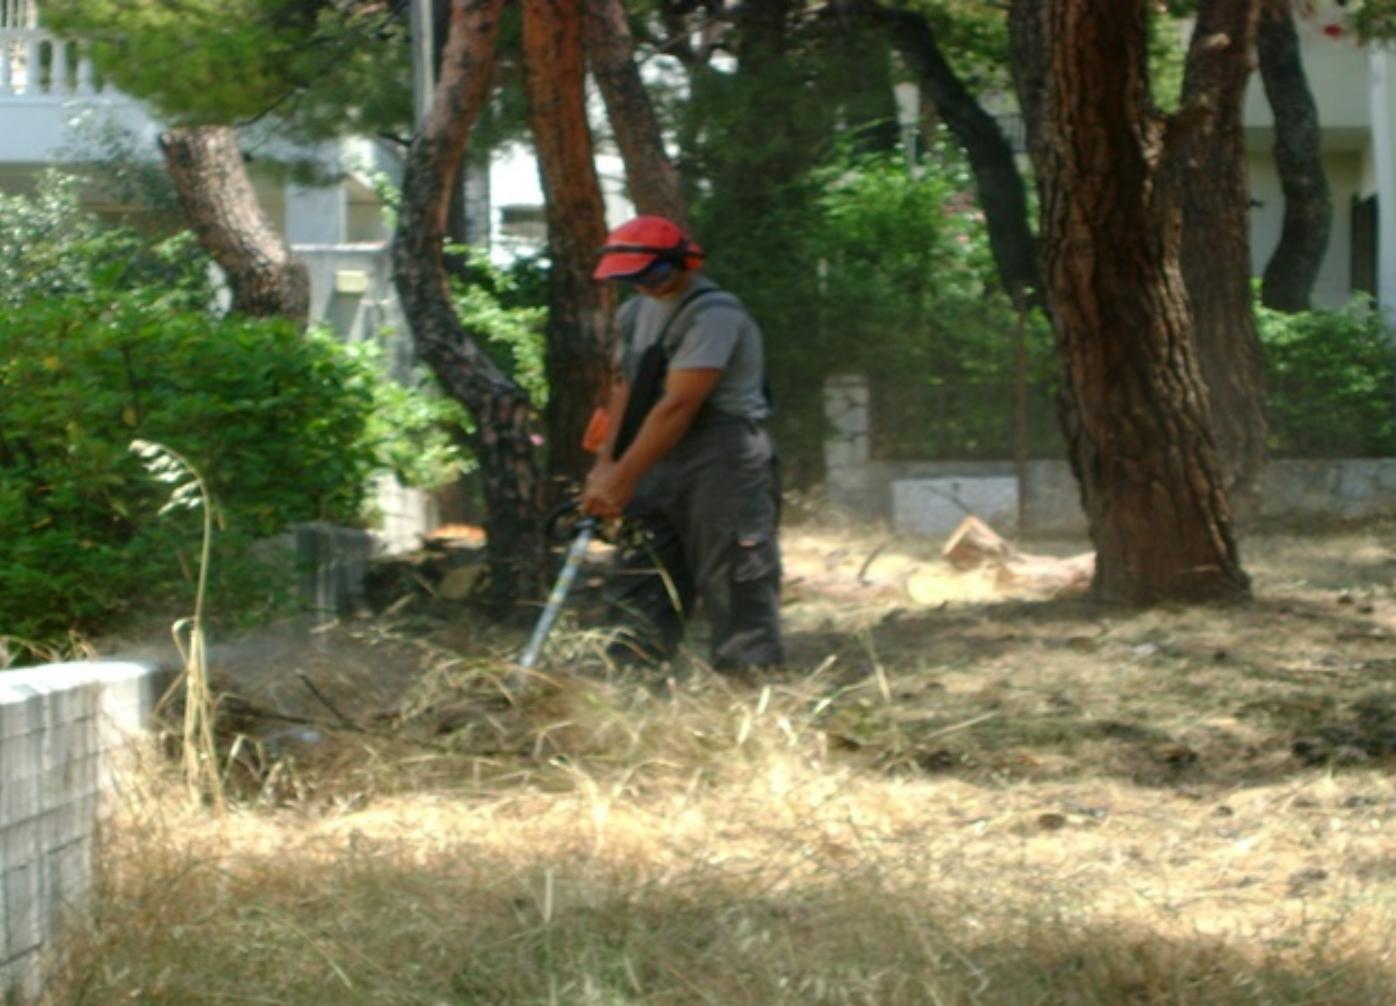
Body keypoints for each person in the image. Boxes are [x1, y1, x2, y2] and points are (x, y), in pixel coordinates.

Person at [580, 215, 783, 674]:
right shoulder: (634, 314)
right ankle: (629, 689)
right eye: (633, 279)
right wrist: (605, 467)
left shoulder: (715, 314)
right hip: (654, 452)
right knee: (641, 574)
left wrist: (623, 476)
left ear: (682, 264)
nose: (647, 287)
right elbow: (625, 391)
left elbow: (677, 406)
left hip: (723, 459)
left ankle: (752, 698)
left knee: (735, 578)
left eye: (655, 275)